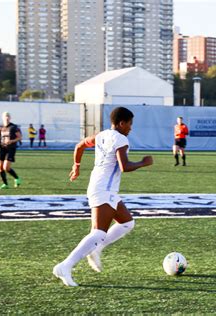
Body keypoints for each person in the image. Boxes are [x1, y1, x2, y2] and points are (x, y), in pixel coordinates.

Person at [53, 107, 153, 287]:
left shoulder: (101, 135)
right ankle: (65, 266)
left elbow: (80, 145)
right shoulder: (121, 139)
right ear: (122, 123)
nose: (131, 128)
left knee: (127, 223)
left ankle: (97, 248)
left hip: (104, 188)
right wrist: (144, 163)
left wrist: (76, 165)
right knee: (98, 232)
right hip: (103, 189)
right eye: (130, 124)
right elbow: (125, 167)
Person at [0, 112, 22, 190]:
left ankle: (17, 178)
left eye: (8, 116)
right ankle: (5, 184)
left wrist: (12, 141)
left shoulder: (14, 127)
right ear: (2, 117)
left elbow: (19, 137)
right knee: (0, 167)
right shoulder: (0, 128)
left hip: (11, 149)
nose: (7, 117)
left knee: (6, 167)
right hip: (2, 149)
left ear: (10, 118)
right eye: (5, 116)